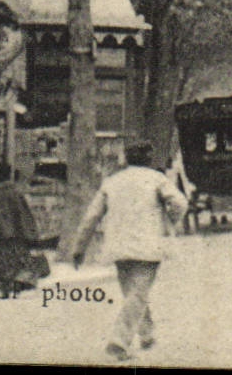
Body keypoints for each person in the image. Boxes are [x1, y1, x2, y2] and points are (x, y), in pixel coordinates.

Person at [71, 140, 189, 362]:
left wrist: (79, 248)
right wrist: (169, 223)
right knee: (138, 294)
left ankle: (147, 334)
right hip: (149, 245)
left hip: (118, 246)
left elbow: (91, 217)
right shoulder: (157, 179)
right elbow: (180, 204)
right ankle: (119, 342)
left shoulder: (111, 182)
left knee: (132, 293)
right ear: (148, 158)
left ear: (127, 158)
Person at [0, 162, 51, 295]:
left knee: (1, 262)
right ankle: (18, 282)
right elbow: (25, 215)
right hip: (17, 236)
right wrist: (31, 233)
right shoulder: (16, 193)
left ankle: (4, 284)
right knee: (17, 259)